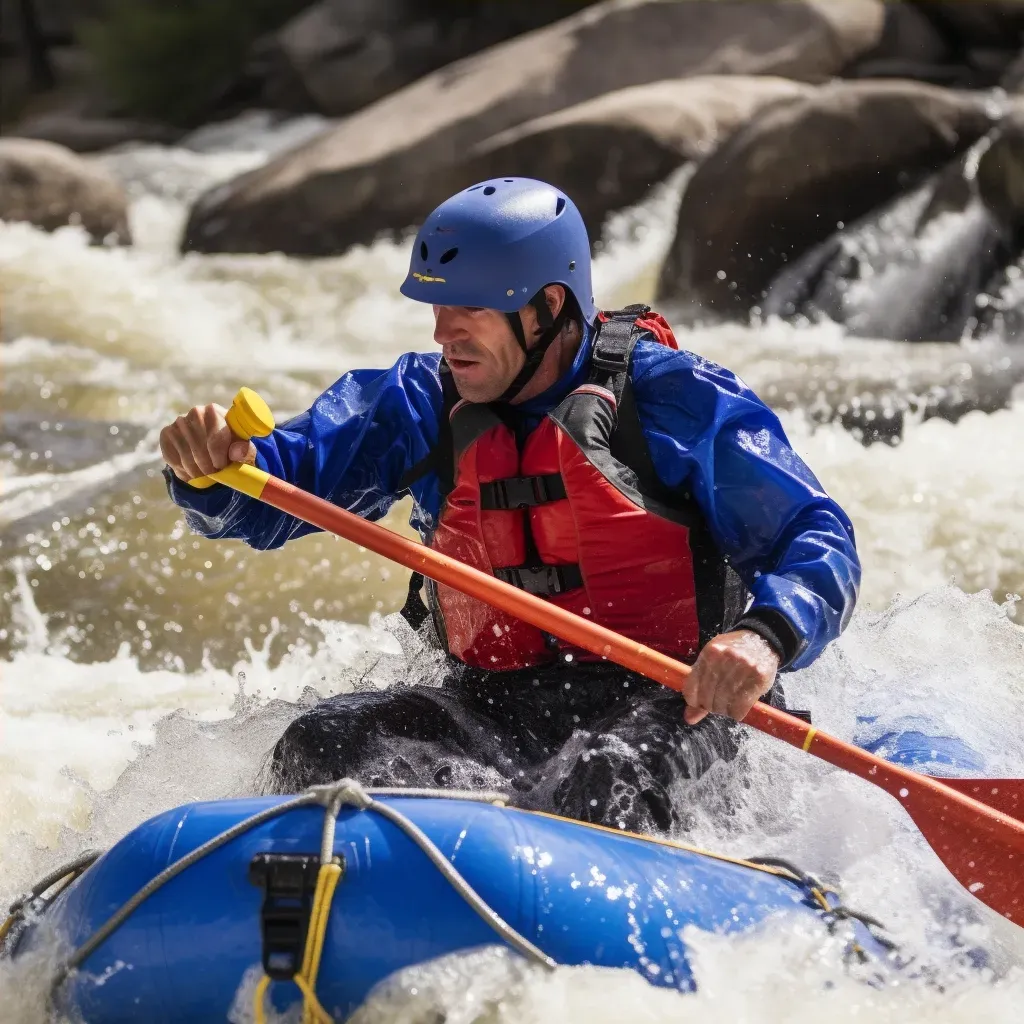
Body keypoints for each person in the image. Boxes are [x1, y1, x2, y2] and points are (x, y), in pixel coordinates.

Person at [160, 177, 860, 834]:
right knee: (321, 743)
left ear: (548, 308)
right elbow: (271, 496)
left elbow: (815, 534)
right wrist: (216, 468)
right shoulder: (421, 402)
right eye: (437, 306)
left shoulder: (673, 398)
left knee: (605, 781)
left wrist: (764, 636)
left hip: (678, 701)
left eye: (470, 308)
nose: (443, 333)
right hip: (494, 705)